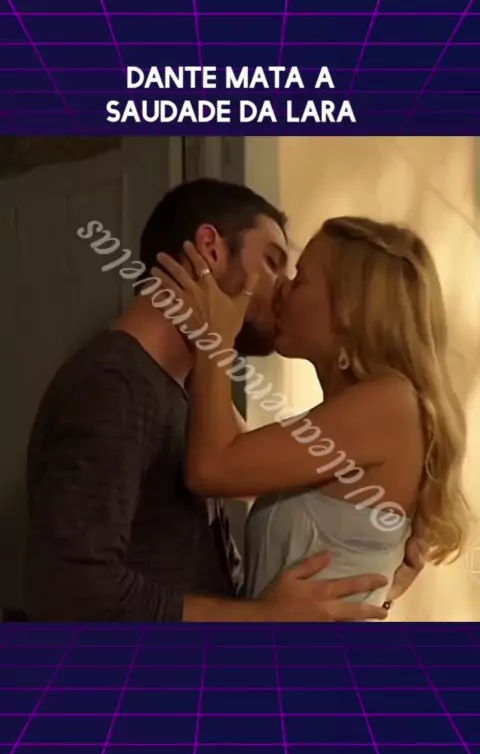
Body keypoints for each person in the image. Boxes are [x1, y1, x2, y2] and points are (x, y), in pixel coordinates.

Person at [25, 181, 399, 622]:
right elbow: (71, 590)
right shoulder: (117, 385)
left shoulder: (180, 392)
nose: (284, 289)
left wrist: (395, 530)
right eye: (272, 261)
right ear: (210, 250)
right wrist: (259, 619)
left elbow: (262, 472)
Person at [152, 215, 471, 608]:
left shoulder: (390, 403)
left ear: (350, 305)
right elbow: (242, 462)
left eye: (301, 278)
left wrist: (213, 341)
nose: (282, 287)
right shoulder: (372, 407)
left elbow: (211, 467)